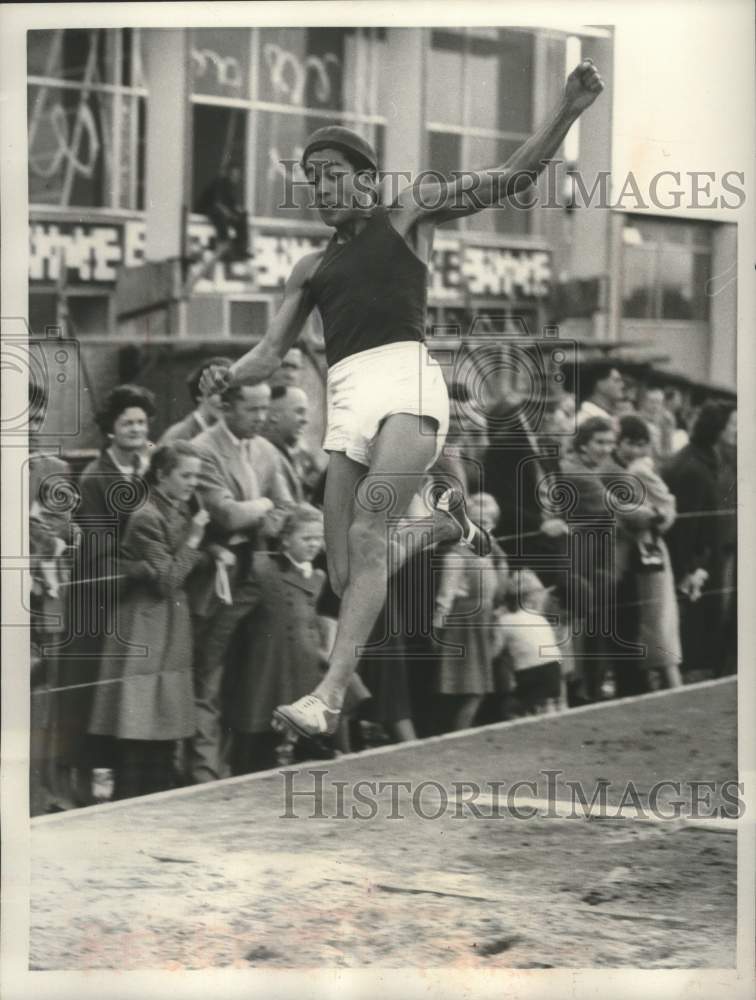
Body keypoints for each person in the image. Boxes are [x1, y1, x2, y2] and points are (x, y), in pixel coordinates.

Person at [201, 58, 605, 739]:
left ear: (365, 177)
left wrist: (567, 110)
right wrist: (226, 376)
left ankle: (326, 696)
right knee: (346, 561)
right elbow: (269, 354)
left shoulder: (408, 210)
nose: (324, 189)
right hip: (349, 397)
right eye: (313, 180)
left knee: (366, 533)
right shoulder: (310, 268)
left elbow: (508, 181)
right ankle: (445, 525)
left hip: (408, 384)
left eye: (334, 175)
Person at [88, 443, 210, 799]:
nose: (193, 483)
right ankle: (131, 800)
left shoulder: (177, 508)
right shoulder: (147, 516)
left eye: (196, 476)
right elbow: (168, 579)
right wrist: (197, 539)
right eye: (185, 475)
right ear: (162, 475)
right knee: (140, 715)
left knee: (160, 715)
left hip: (166, 622)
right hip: (143, 623)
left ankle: (156, 795)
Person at [187, 382, 294, 782]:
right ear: (225, 408)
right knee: (209, 674)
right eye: (253, 409)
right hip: (220, 577)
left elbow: (287, 506)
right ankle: (203, 771)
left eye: (266, 409)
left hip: (259, 570)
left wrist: (264, 513)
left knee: (250, 669)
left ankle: (241, 764)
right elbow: (225, 515)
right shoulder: (203, 448)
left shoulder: (265, 449)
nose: (262, 417)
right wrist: (264, 507)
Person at [60, 384, 156, 804]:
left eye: (141, 421)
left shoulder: (147, 471)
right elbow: (98, 548)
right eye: (127, 422)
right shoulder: (96, 478)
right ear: (111, 431)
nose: (136, 429)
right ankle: (81, 782)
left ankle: (121, 779)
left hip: (132, 595)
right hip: (99, 599)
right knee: (88, 688)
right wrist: (140, 567)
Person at [604, 415, 682, 694]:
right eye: (630, 443)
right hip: (640, 553)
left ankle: (672, 690)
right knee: (653, 627)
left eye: (641, 444)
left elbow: (667, 508)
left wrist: (650, 519)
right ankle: (667, 689)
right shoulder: (627, 469)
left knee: (657, 627)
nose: (636, 450)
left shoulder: (636, 470)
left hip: (646, 553)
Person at [663, 401, 734, 678]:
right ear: (717, 430)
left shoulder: (706, 460)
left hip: (708, 561)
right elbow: (686, 530)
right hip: (695, 572)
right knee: (695, 636)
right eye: (733, 425)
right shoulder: (692, 468)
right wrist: (690, 570)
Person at [433, 494, 509, 731]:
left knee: (478, 687)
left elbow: (499, 591)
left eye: (486, 524)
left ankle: (460, 731)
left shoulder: (489, 555)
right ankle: (457, 733)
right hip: (463, 624)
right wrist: (437, 629)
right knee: (469, 688)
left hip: (483, 621)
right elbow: (444, 598)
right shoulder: (456, 556)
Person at [491, 570, 563, 716]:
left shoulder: (503, 621)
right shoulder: (538, 617)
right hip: (554, 670)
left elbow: (494, 652)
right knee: (539, 701)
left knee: (508, 707)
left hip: (531, 675)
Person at [159, 356, 233, 445]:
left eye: (230, 392)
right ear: (199, 395)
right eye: (217, 392)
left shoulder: (229, 433)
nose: (225, 400)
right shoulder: (179, 436)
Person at [263, 385, 312, 501]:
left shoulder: (288, 454)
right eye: (299, 412)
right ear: (274, 416)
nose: (306, 420)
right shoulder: (265, 455)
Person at [197, 163, 250, 261]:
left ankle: (241, 248)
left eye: (237, 175)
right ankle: (224, 241)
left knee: (243, 216)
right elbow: (217, 203)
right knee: (220, 214)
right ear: (229, 174)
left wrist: (239, 212)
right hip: (211, 210)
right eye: (234, 175)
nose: (236, 177)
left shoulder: (231, 187)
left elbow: (233, 204)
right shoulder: (220, 183)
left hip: (223, 212)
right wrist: (230, 214)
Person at [576, 362, 625, 428]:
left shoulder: (611, 416)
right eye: (616, 380)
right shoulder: (584, 418)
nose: (622, 385)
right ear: (600, 384)